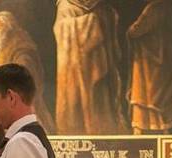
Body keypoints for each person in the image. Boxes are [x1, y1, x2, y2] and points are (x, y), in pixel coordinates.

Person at [53, 0, 127, 134]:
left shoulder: (101, 5)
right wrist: (91, 22)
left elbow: (110, 28)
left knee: (99, 98)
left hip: (99, 64)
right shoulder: (66, 5)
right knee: (74, 101)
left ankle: (103, 132)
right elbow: (60, 30)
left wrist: (108, 18)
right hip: (73, 68)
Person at [126, 0, 172, 134]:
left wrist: (129, 31)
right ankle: (163, 129)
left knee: (147, 95)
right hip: (163, 60)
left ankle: (142, 129)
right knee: (163, 96)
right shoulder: (167, 6)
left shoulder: (155, 8)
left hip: (149, 61)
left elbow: (136, 30)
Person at [0, 11, 57, 132]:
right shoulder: (4, 45)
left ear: (9, 26)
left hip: (23, 98)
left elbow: (25, 70)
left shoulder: (21, 44)